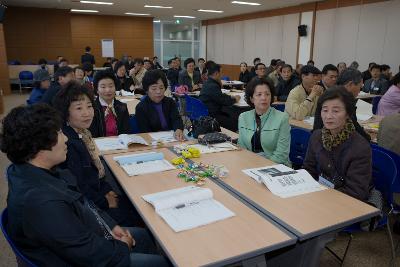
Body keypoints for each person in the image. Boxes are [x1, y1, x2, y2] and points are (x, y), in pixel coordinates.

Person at [1, 104, 169, 266]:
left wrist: (110, 225)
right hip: (79, 258)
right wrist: (122, 246)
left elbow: (83, 202)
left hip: (85, 232)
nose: (65, 138)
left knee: (144, 236)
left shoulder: (33, 170)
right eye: (59, 133)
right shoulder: (42, 202)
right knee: (160, 262)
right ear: (40, 145)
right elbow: (87, 252)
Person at [54, 82, 141, 225]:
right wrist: (105, 201)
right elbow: (79, 188)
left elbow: (93, 173)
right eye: (79, 108)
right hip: (91, 209)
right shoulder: (68, 144)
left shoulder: (83, 133)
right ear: (65, 113)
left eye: (89, 106)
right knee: (138, 215)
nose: (87, 113)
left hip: (97, 192)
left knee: (134, 203)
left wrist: (107, 190)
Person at [303, 87, 373, 201]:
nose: (328, 116)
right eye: (325, 110)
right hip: (320, 195)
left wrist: (321, 196)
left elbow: (356, 192)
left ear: (347, 114)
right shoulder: (316, 136)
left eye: (335, 111)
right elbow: (308, 170)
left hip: (346, 202)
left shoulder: (360, 147)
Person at [238, 77, 290, 165]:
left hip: (275, 165)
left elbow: (281, 154)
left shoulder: (282, 118)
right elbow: (242, 147)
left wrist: (262, 166)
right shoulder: (243, 117)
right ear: (251, 99)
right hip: (250, 163)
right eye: (259, 94)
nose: (264, 98)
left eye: (267, 94)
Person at [313, 68, 371, 142]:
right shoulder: (344, 99)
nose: (359, 91)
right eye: (359, 87)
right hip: (333, 143)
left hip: (319, 140)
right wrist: (368, 137)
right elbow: (355, 128)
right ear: (350, 84)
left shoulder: (328, 93)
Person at [135, 70, 184, 140]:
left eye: (161, 88)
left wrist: (178, 129)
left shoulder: (170, 102)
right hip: (153, 143)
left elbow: (176, 119)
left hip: (172, 139)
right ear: (147, 90)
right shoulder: (141, 107)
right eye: (154, 88)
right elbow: (144, 131)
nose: (158, 92)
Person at [199, 61, 240, 132]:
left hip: (207, 111)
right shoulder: (213, 86)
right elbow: (223, 101)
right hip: (211, 115)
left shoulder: (208, 82)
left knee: (229, 115)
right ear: (216, 74)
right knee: (235, 120)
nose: (221, 75)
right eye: (220, 73)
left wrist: (230, 97)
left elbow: (219, 96)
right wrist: (235, 99)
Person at [89, 70, 131, 137]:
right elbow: (92, 134)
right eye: (103, 87)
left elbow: (127, 132)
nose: (108, 90)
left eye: (111, 86)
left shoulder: (122, 106)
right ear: (97, 89)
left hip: (120, 145)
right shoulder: (91, 108)